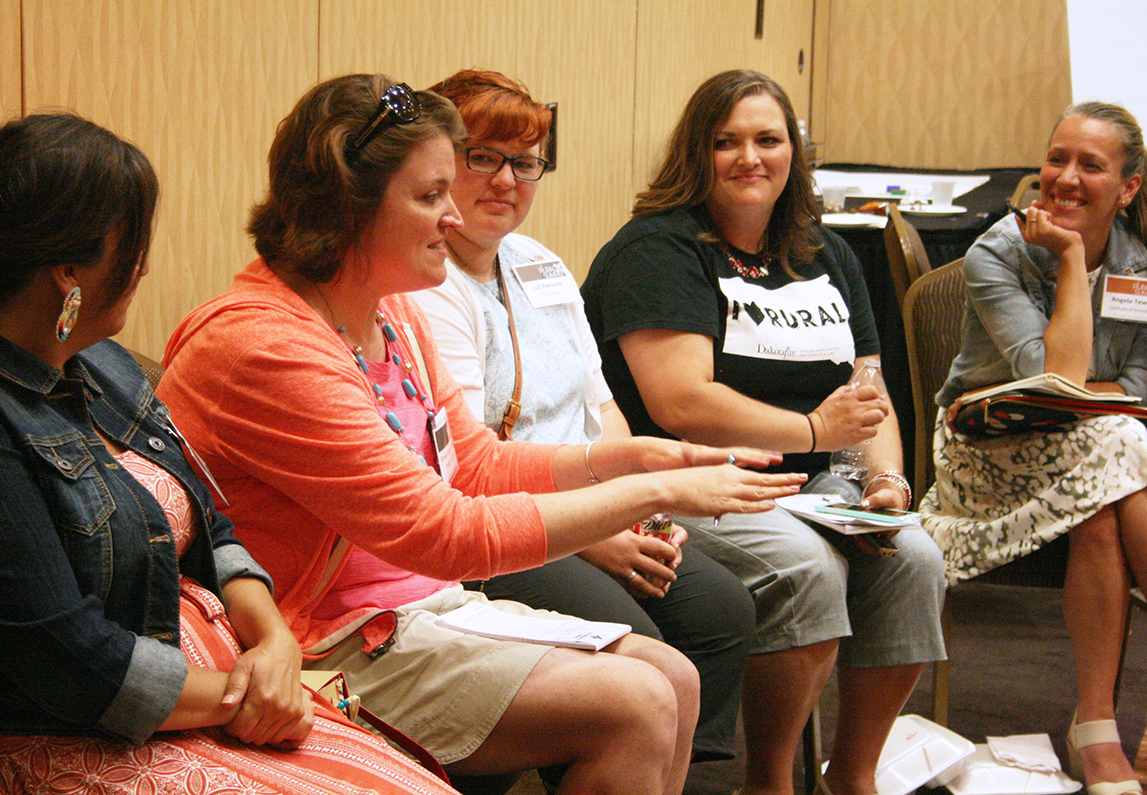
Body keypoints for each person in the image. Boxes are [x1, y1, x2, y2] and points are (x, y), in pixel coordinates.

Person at [157, 73, 807, 795]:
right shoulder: (266, 346)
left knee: (674, 677)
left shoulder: (390, 312)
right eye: (430, 195)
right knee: (638, 701)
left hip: (415, 609)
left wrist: (640, 457)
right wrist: (654, 491)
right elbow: (445, 532)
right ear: (348, 207)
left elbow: (473, 463)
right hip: (314, 642)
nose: (452, 215)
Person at [0, 113, 460, 795]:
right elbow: (67, 662)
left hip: (220, 693)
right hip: (77, 735)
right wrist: (246, 695)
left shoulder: (104, 364)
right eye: (133, 244)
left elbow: (211, 524)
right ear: (68, 270)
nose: (144, 266)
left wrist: (273, 642)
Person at [581, 69, 947, 795]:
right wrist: (812, 429)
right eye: (727, 142)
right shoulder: (657, 250)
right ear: (697, 153)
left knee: (914, 559)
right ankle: (771, 782)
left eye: (768, 140)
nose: (750, 157)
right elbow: (682, 401)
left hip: (813, 485)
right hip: (690, 480)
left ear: (793, 154)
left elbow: (867, 392)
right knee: (803, 566)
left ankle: (854, 777)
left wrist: (885, 483)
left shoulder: (825, 252)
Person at [409, 68, 756, 765]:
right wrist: (599, 531)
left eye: (525, 162)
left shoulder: (540, 265)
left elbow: (602, 407)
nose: (505, 180)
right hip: (503, 523)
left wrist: (635, 511)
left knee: (722, 611)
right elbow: (466, 468)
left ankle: (676, 777)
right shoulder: (426, 283)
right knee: (635, 646)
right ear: (439, 163)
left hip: (595, 506)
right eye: (483, 156)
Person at [922, 101, 1147, 795]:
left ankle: (1098, 725)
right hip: (987, 453)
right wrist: (1073, 257)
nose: (1066, 177)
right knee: (1124, 449)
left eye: (1090, 165)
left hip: (1105, 451)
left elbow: (1140, 385)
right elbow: (1053, 378)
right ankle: (1099, 734)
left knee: (1110, 482)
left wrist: (1087, 397)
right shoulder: (999, 251)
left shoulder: (1142, 263)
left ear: (1128, 188)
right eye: (1057, 159)